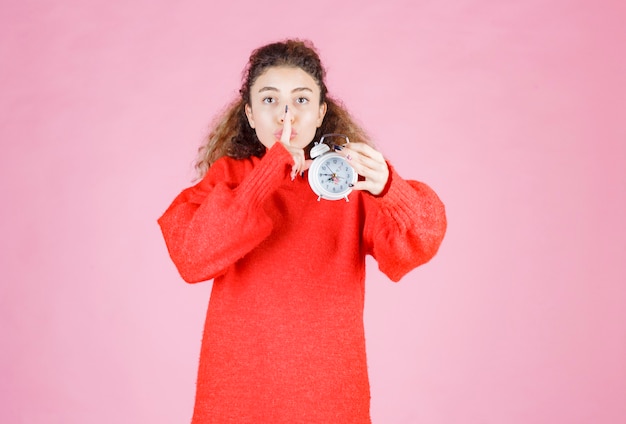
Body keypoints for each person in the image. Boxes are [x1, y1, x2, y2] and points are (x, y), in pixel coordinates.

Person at [158, 39, 447, 424]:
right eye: (269, 100)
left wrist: (389, 189)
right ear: (249, 113)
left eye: (301, 100)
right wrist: (268, 172)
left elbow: (421, 242)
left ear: (321, 112)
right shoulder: (228, 179)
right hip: (237, 395)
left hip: (330, 395)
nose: (286, 116)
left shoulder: (349, 183)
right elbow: (192, 257)